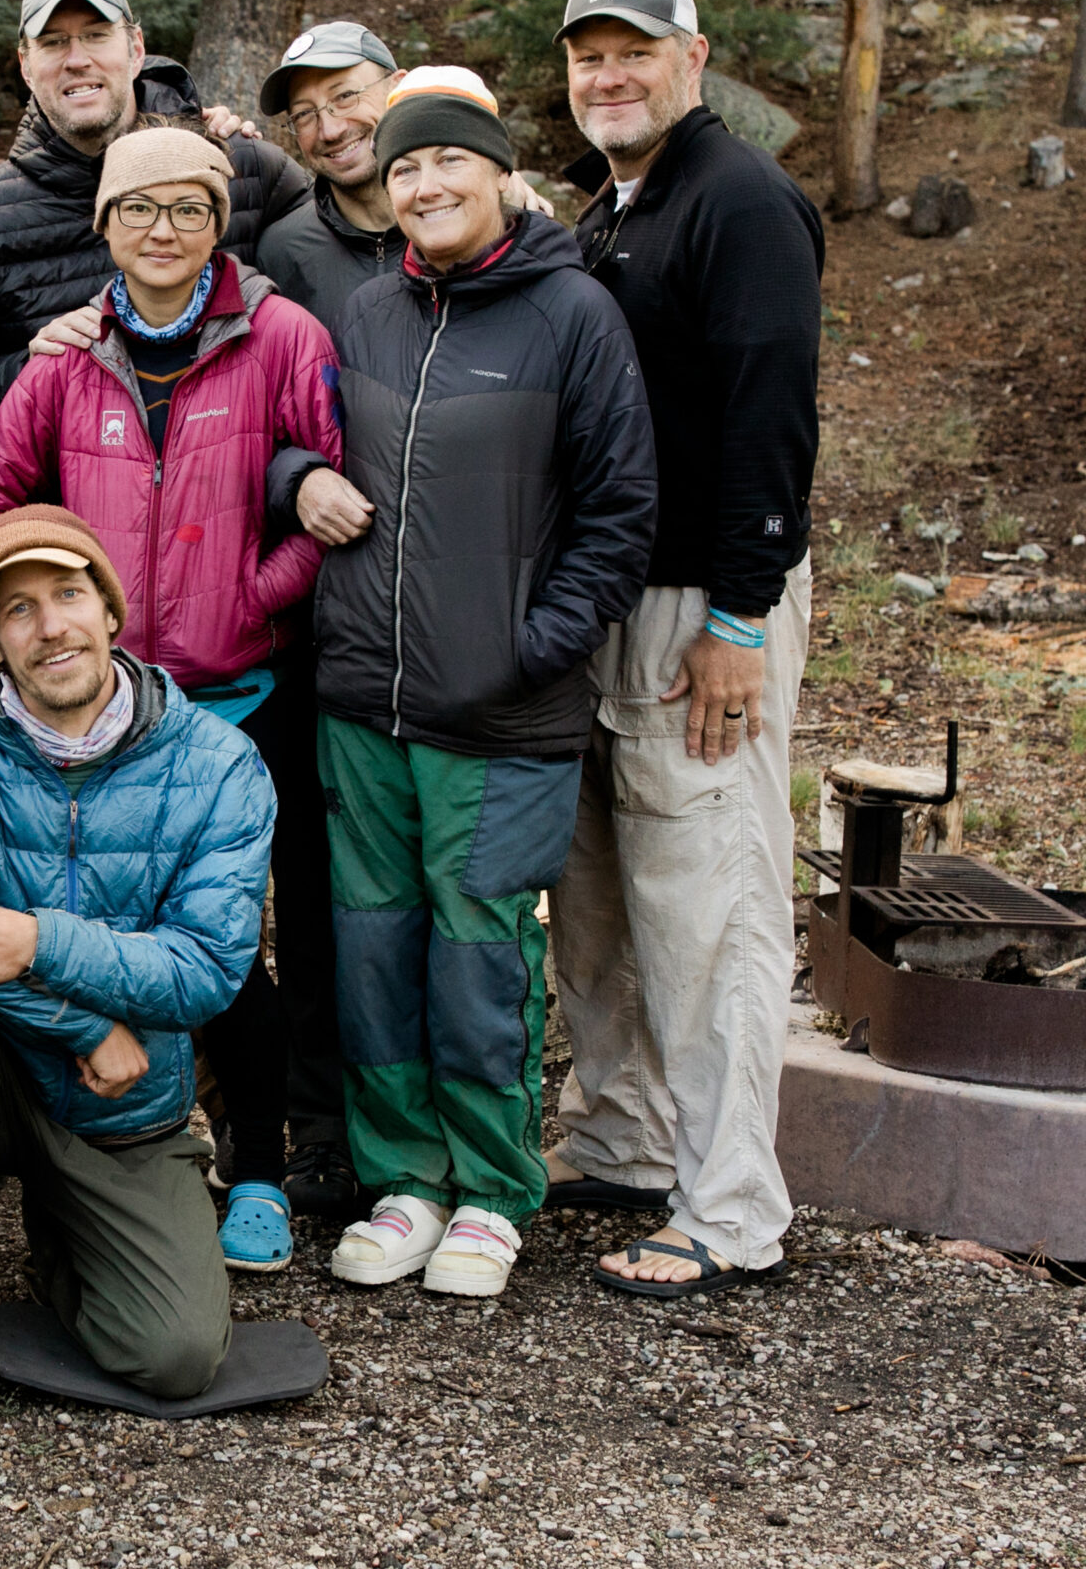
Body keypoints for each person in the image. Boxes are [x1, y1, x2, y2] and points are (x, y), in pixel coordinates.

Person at [0, 127, 342, 1277]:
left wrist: (254, 597)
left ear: (218, 220)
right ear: (104, 225)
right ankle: (100, 1134)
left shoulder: (282, 337)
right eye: (137, 210)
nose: (160, 231)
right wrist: (40, 613)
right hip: (103, 707)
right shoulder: (69, 356)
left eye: (184, 208)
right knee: (106, 923)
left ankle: (260, 1167)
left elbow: (327, 491)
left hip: (240, 692)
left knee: (229, 942)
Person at [306, 68, 656, 1300]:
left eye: (447, 160)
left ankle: (492, 1186)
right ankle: (402, 1178)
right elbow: (301, 439)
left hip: (500, 713)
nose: (425, 183)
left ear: (499, 172)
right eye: (402, 168)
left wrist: (532, 640)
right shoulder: (365, 316)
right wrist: (300, 473)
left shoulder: (572, 314)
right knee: (374, 951)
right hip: (364, 702)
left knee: (476, 956)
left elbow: (621, 514)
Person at [0, 505, 271, 1430]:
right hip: (0, 1074)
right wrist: (82, 1022)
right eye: (16, 611)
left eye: (69, 595)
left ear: (110, 611)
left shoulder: (220, 763)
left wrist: (33, 938)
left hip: (127, 1103)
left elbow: (208, 971)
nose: (50, 627)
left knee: (173, 1358)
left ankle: (70, 1230)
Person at [546, 0, 823, 1299]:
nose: (611, 73)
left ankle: (730, 1207)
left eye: (634, 51)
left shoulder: (743, 204)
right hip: (611, 597)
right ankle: (628, 1137)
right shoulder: (614, 209)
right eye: (590, 54)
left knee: (709, 895)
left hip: (701, 605)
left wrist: (740, 615)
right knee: (601, 890)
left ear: (693, 59)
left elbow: (777, 415)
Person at [0, 0, 309, 451]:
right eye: (53, 43)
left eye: (95, 35)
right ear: (25, 65)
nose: (76, 59)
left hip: (232, 512)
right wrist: (32, 366)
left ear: (136, 50)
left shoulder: (244, 169)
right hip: (70, 522)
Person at [253, 22, 406, 328]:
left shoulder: (461, 223)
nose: (330, 130)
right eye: (305, 114)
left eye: (345, 96)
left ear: (397, 89)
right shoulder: (281, 253)